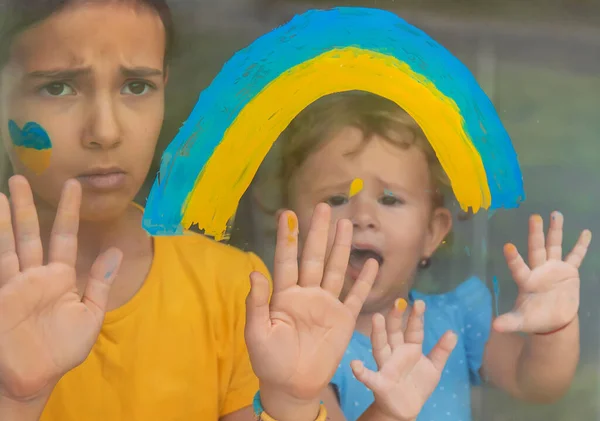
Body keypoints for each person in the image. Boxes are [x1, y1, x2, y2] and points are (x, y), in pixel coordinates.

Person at [0, 2, 395, 421]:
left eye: (136, 87)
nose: (105, 132)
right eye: (58, 87)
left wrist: (290, 403)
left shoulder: (235, 290)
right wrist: (16, 400)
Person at [260, 90, 592, 421]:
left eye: (389, 200)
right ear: (292, 231)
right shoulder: (295, 344)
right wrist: (387, 412)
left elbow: (535, 384)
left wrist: (554, 330)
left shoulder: (456, 319)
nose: (362, 215)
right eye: (335, 199)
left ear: (431, 234)